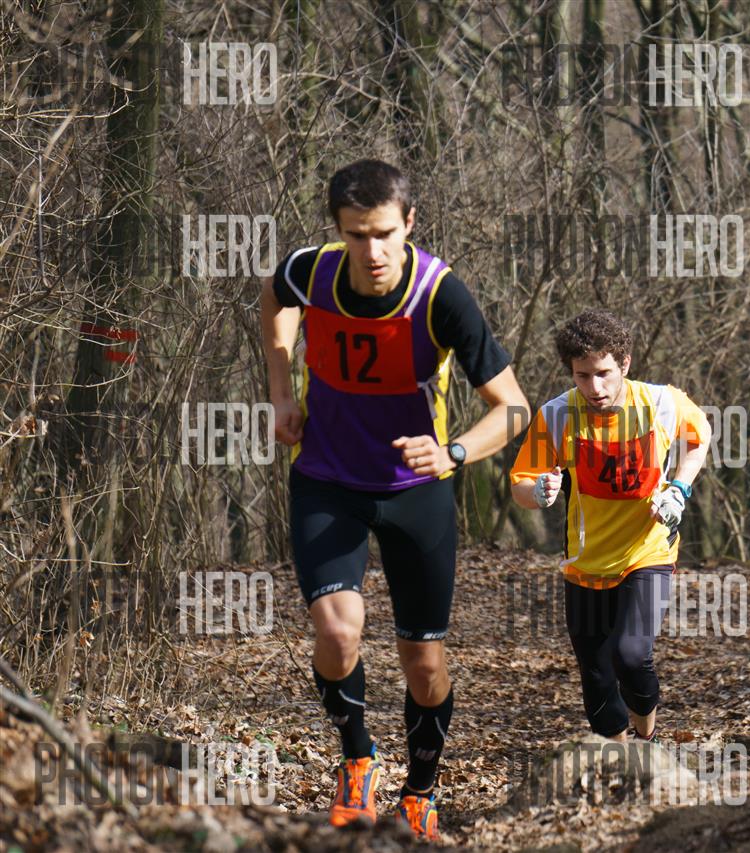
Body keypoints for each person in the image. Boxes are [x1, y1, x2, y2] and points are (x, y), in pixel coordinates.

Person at [260, 159, 528, 839]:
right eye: (356, 235)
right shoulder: (311, 271)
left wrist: (455, 452)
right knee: (336, 632)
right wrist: (282, 391)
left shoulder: (441, 295)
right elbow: (274, 297)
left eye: (383, 233)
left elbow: (514, 408)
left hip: (416, 493)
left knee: (424, 663)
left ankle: (421, 790)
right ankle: (357, 758)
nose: (372, 251)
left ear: (409, 222)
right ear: (338, 230)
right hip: (327, 479)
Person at [508, 309, 710, 743]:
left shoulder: (661, 403)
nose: (594, 388)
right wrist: (538, 491)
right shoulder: (557, 416)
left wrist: (679, 488)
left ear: (625, 364)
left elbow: (699, 438)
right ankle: (619, 761)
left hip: (647, 551)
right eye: (582, 376)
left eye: (603, 374)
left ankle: (647, 741)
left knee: (631, 655)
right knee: (596, 673)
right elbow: (520, 484)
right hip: (586, 562)